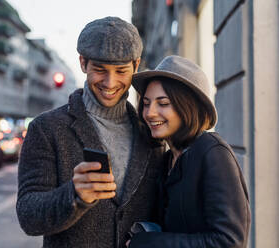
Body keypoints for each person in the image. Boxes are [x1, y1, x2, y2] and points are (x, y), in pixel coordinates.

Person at [16, 16, 164, 248]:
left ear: (136, 66)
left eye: (121, 70)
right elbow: (28, 216)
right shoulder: (46, 128)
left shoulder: (151, 134)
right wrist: (74, 195)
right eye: (100, 70)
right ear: (83, 63)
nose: (110, 82)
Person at [128, 55, 251, 248]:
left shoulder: (212, 153)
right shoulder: (167, 159)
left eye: (163, 103)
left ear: (187, 106)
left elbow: (229, 241)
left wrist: (149, 243)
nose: (149, 113)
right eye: (146, 103)